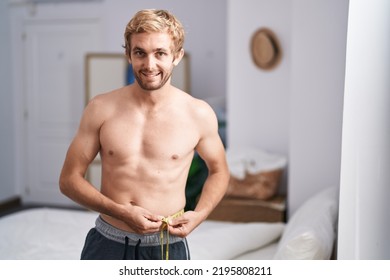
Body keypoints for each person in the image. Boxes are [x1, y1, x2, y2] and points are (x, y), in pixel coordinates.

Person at [59, 9, 229, 260]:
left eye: (160, 53)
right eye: (140, 53)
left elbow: (219, 170)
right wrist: (121, 212)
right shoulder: (101, 108)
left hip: (166, 246)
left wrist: (200, 214)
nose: (150, 65)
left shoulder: (198, 114)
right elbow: (68, 180)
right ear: (128, 54)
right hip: (107, 241)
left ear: (177, 56)